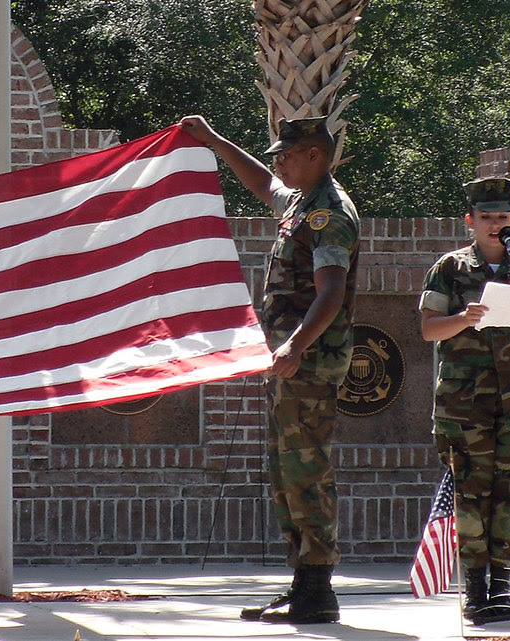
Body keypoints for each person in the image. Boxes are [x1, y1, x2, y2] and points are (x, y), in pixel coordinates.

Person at [179, 114, 360, 625]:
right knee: (285, 472)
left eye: (287, 153)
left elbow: (331, 291)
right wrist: (214, 140)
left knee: (305, 471)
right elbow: (263, 183)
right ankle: (302, 581)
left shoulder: (330, 213)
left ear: (315, 156)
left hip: (309, 362)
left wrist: (296, 346)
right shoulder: (303, 202)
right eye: (277, 152)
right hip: (290, 361)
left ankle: (318, 590)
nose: (278, 160)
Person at [418, 176, 510, 625]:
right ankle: (475, 591)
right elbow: (428, 329)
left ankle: (503, 589)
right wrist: (463, 318)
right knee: (472, 492)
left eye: (502, 217)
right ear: (470, 222)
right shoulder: (450, 269)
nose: (496, 225)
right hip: (465, 403)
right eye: (487, 218)